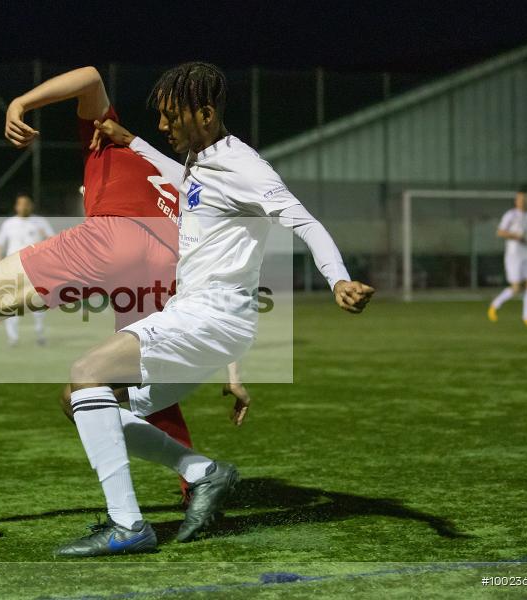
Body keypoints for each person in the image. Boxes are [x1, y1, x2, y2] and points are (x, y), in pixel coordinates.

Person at [0, 67, 250, 501]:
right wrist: (234, 368)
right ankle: (196, 481)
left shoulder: (106, 141)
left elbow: (90, 77)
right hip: (166, 267)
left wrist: (20, 103)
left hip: (116, 237)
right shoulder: (178, 179)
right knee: (139, 377)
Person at [47, 62, 374, 558]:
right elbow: (182, 182)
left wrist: (338, 278)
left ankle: (127, 525)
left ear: (204, 114)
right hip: (204, 321)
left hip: (209, 318)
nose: (163, 125)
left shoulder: (244, 167)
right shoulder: (201, 161)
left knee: (85, 372)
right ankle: (204, 472)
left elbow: (305, 221)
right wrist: (132, 141)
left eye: (171, 116)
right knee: (77, 398)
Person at [0, 193, 54, 346]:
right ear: (16, 206)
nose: (24, 207)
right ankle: (13, 337)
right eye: (21, 204)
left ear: (31, 206)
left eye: (27, 204)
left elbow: (54, 241)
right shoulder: (9, 223)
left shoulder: (40, 222)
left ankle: (40, 334)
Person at [487, 185, 527, 327]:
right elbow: (500, 232)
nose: (522, 202)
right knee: (516, 288)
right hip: (513, 255)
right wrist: (516, 236)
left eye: (525, 199)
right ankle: (495, 304)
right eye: (520, 199)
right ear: (516, 200)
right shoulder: (510, 215)